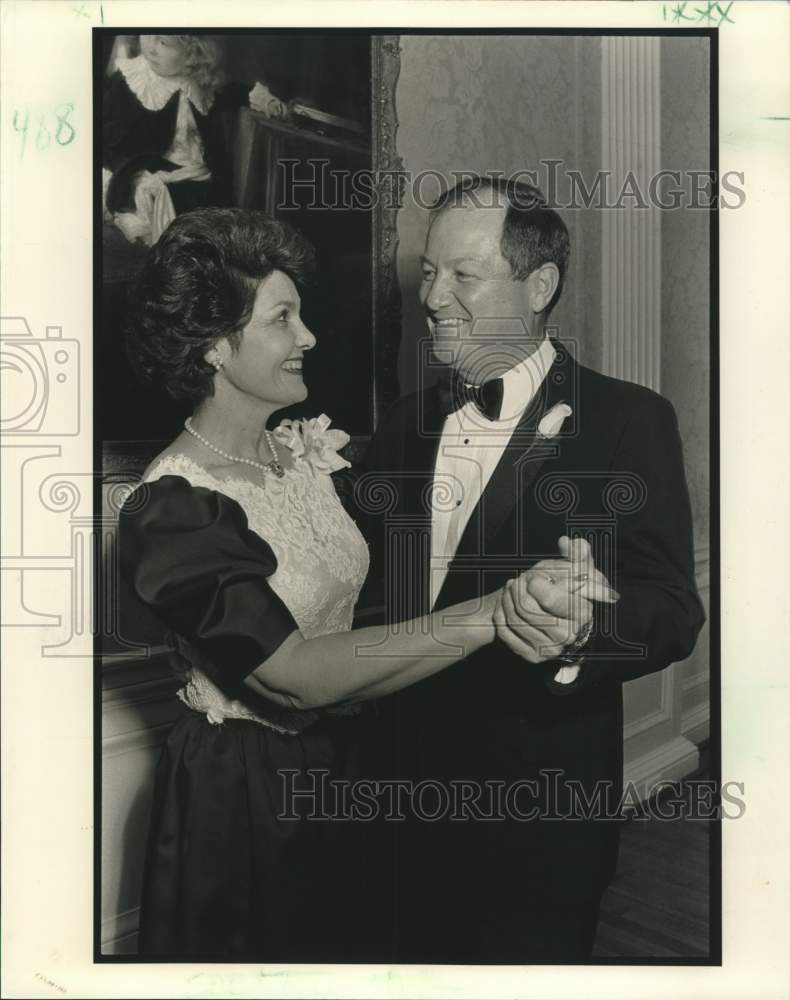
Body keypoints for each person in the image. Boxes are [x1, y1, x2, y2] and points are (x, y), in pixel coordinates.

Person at [116, 207, 614, 961]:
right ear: (216, 346)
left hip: (355, 765)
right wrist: (495, 611)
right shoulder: (173, 508)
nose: (309, 337)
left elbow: (434, 554)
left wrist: (559, 583)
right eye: (283, 319)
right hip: (254, 791)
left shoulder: (307, 456)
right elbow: (291, 680)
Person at [357, 175, 706, 963]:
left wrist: (588, 628)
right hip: (392, 797)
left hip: (537, 809)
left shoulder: (627, 420)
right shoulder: (403, 425)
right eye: (427, 273)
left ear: (539, 284)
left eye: (463, 275)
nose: (433, 297)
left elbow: (674, 609)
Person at [102, 34, 286, 247]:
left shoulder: (199, 83)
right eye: (147, 35)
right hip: (144, 170)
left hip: (193, 174)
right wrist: (131, 173)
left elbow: (238, 93)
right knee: (151, 196)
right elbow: (105, 139)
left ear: (192, 53)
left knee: (204, 215)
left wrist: (267, 102)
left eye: (163, 43)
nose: (151, 49)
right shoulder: (132, 79)